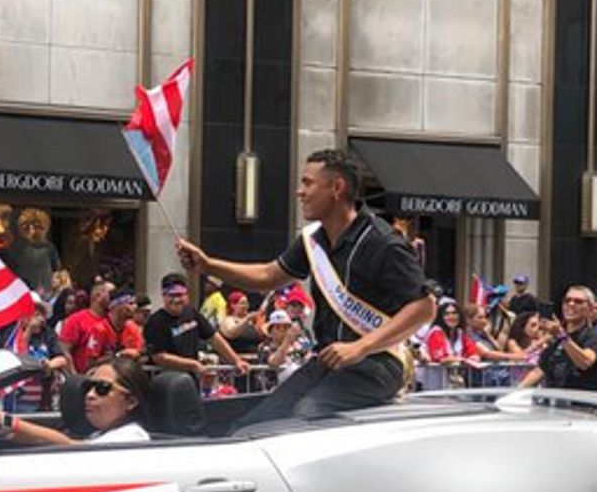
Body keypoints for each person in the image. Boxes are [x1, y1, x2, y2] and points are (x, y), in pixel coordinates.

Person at [176, 149, 430, 423]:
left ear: (337, 188)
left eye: (308, 183)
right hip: (328, 359)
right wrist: (208, 265)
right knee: (259, 421)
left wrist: (360, 347)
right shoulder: (314, 240)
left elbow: (424, 308)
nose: (300, 192)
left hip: (377, 363)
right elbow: (267, 275)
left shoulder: (383, 242)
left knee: (304, 419)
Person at [0, 354, 151, 448]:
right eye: (88, 387)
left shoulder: (133, 438)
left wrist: (1, 422)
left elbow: (73, 450)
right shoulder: (100, 434)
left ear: (131, 402)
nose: (90, 395)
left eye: (102, 388)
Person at [144, 274, 246, 384]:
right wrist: (193, 365)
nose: (176, 300)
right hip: (166, 382)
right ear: (164, 296)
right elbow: (159, 357)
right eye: (171, 295)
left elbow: (213, 338)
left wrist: (236, 360)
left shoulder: (191, 313)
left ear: (187, 295)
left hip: (191, 380)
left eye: (180, 295)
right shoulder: (155, 322)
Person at [518, 286, 597, 390]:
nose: (571, 304)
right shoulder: (555, 339)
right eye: (567, 300)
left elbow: (585, 362)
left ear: (590, 309)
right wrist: (515, 392)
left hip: (580, 399)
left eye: (578, 301)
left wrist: (562, 336)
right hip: (554, 398)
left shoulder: (592, 337)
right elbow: (539, 371)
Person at [59, 281, 116, 373]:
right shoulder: (76, 320)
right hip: (83, 375)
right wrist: (74, 375)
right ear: (98, 296)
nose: (115, 297)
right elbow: (64, 350)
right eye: (111, 293)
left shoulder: (113, 321)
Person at [108, 290, 145, 355]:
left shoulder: (132, 327)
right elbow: (91, 360)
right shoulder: (100, 329)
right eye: (130, 303)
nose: (135, 306)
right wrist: (120, 354)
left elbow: (140, 352)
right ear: (117, 306)